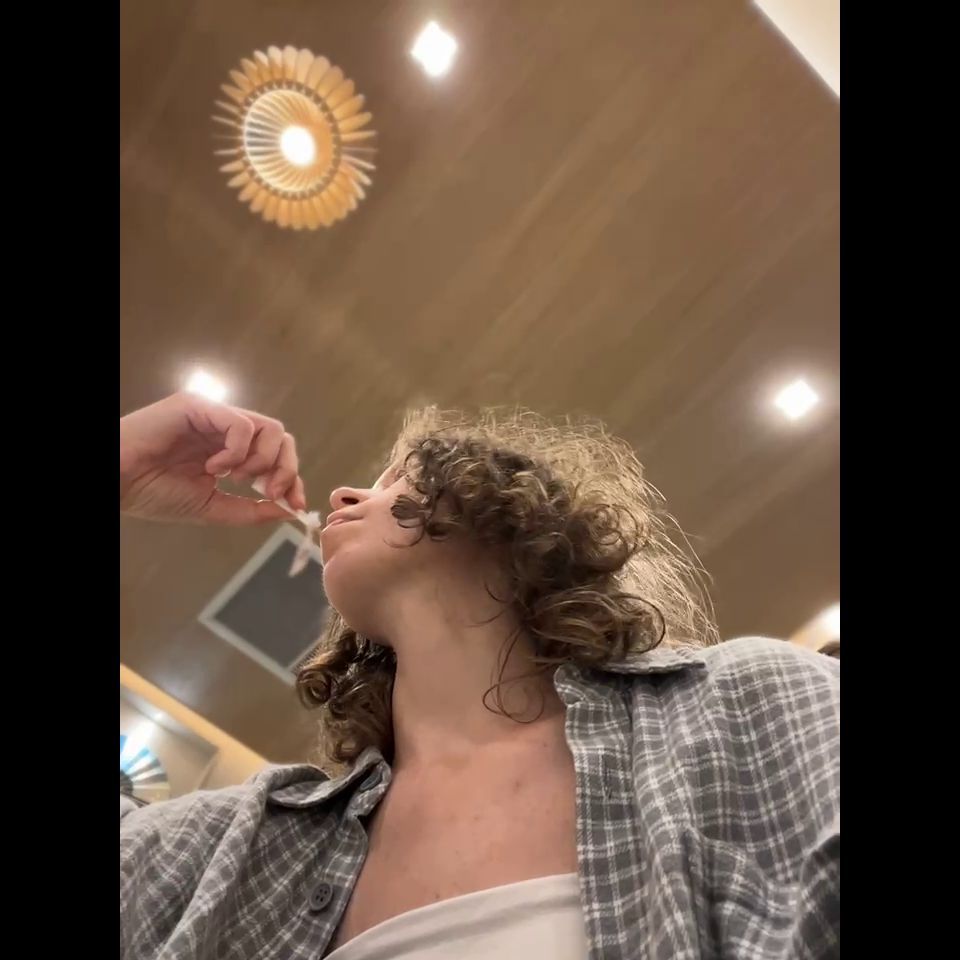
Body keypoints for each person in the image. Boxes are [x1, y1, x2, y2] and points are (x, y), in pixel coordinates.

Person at [120, 392, 840, 960]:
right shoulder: (242, 841)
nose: (341, 497)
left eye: (400, 481)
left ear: (504, 515)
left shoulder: (752, 708)